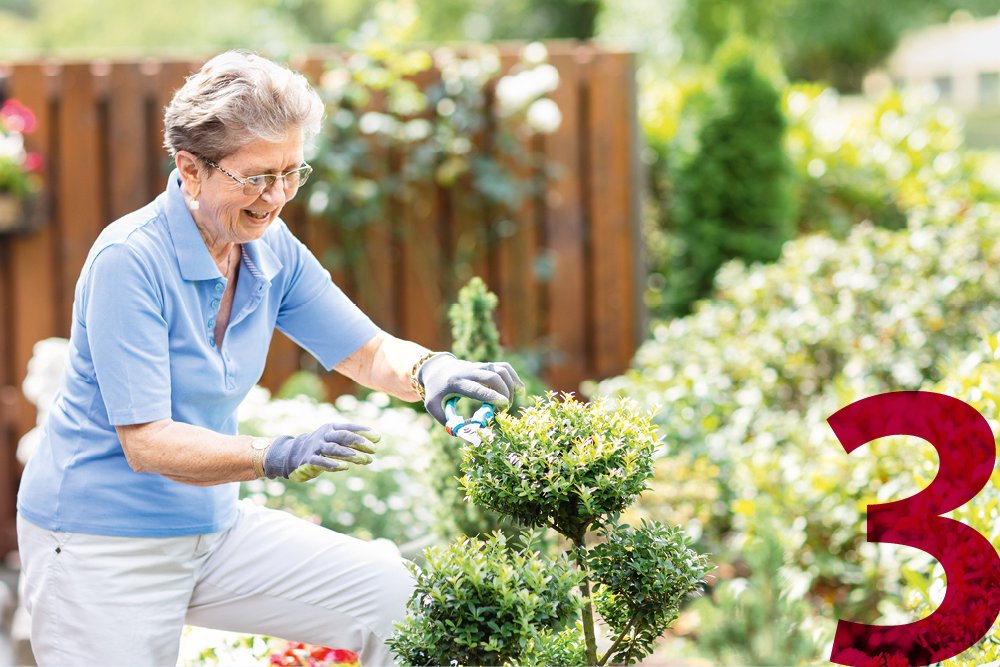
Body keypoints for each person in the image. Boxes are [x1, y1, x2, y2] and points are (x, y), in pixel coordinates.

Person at [15, 50, 523, 667]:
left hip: (212, 530)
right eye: (256, 177)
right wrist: (274, 454)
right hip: (100, 544)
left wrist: (431, 369)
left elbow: (366, 352)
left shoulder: (269, 248)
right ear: (191, 169)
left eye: (291, 173)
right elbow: (146, 442)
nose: (276, 197)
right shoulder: (130, 260)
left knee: (396, 597)